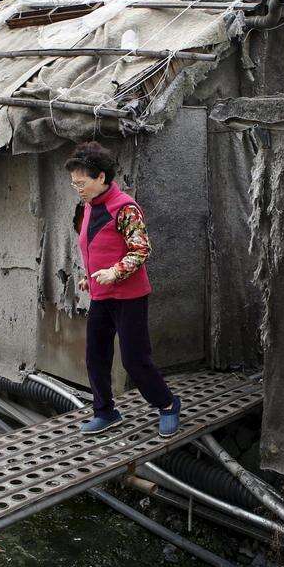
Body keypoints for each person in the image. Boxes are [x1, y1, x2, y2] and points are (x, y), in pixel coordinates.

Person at [65, 142, 180, 437]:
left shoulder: (124, 207)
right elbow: (97, 248)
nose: (77, 188)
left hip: (129, 297)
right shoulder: (89, 206)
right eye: (73, 183)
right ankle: (105, 411)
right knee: (95, 355)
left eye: (81, 182)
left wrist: (115, 272)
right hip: (102, 296)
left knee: (134, 359)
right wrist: (89, 277)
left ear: (101, 177)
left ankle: (167, 404)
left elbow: (141, 249)